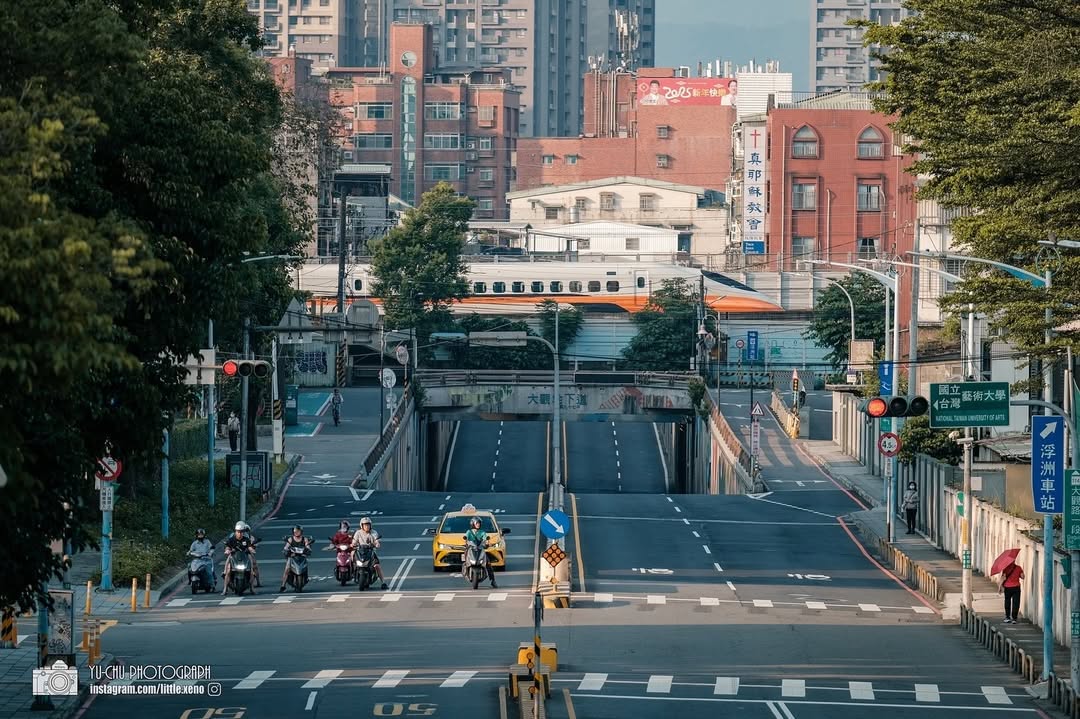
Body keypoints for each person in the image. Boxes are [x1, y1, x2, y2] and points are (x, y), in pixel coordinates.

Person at [351, 517, 388, 590]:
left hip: (370, 551)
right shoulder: (358, 532)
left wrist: (376, 544)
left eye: (368, 525)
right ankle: (353, 573)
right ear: (361, 525)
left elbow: (376, 541)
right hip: (360, 551)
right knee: (352, 556)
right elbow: (354, 542)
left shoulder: (373, 532)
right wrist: (353, 544)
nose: (367, 526)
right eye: (365, 525)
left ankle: (383, 582)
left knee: (377, 565)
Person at [222, 521, 257, 595]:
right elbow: (227, 547)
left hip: (245, 556)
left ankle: (252, 588)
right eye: (238, 532)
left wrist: (252, 550)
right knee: (228, 571)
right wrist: (227, 550)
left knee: (251, 570)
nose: (240, 533)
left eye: (241, 532)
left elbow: (250, 546)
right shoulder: (232, 539)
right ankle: (225, 589)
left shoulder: (246, 539)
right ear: (235, 531)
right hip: (233, 556)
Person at [464, 516, 498, 588]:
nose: (478, 524)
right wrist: (466, 542)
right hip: (471, 549)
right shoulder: (469, 532)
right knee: (465, 559)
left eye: (479, 523)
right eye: (477, 523)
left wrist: (487, 543)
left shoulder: (482, 532)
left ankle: (493, 581)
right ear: (473, 524)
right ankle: (465, 570)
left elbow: (485, 538)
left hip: (480, 549)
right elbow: (465, 538)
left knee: (488, 564)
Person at [279, 525, 313, 592]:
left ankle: (305, 578)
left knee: (305, 566)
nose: (296, 532)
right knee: (287, 569)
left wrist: (308, 549)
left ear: (301, 532)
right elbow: (286, 547)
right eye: (295, 531)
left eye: (298, 531)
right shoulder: (290, 539)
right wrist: (286, 550)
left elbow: (307, 546)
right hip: (292, 557)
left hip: (302, 556)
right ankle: (283, 585)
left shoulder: (304, 539)